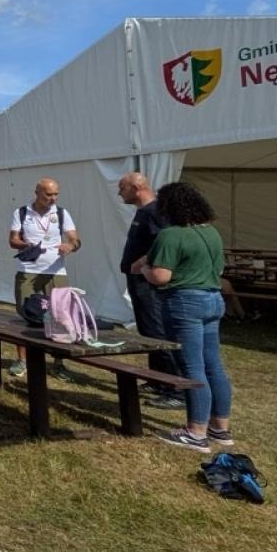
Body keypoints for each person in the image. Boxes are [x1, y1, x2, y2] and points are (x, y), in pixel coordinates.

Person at [134, 181, 233, 453]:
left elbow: (161, 275)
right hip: (213, 300)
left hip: (185, 303)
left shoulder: (171, 235)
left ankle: (196, 432)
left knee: (192, 367)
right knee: (214, 365)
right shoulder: (211, 232)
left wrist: (144, 271)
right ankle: (220, 427)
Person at [7, 178, 79, 379]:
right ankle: (22, 360)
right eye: (49, 194)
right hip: (28, 270)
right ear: (37, 192)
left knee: (61, 316)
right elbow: (12, 240)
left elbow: (76, 239)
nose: (53, 198)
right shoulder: (21, 213)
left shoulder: (62, 213)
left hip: (56, 271)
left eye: (56, 194)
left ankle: (58, 362)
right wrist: (24, 244)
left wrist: (70, 246)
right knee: (25, 313)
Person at [117, 172, 178, 402]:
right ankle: (157, 379)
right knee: (148, 331)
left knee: (157, 331)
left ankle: (174, 387)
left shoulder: (155, 212)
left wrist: (143, 263)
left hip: (148, 281)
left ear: (136, 188)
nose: (119, 193)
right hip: (137, 279)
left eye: (122, 188)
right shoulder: (143, 212)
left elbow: (164, 242)